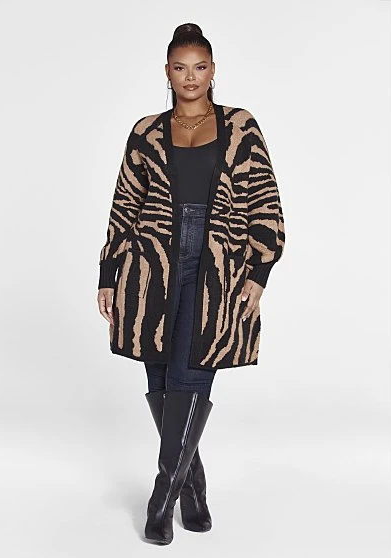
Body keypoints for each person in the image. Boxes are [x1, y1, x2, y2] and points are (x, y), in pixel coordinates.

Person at [97, 23, 285, 545]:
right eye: (180, 68)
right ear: (167, 72)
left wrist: (259, 272)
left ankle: (162, 498)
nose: (190, 77)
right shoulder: (146, 132)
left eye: (200, 67)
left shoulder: (241, 126)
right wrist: (109, 274)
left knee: (192, 373)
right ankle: (194, 490)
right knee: (162, 380)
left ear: (213, 70)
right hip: (151, 266)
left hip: (218, 266)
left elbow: (265, 199)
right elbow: (124, 204)